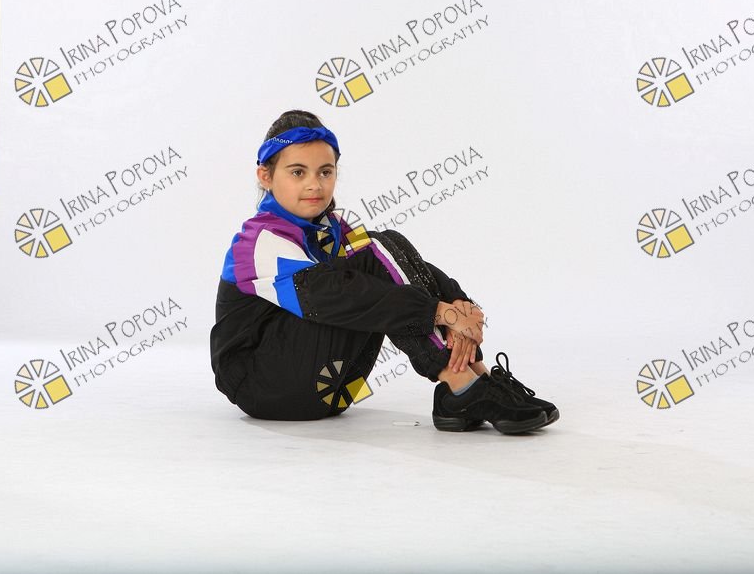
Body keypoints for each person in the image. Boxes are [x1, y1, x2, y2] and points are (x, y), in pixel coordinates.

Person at [210, 110, 559, 434]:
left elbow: (402, 267)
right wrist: (440, 312)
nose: (314, 184)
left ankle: (476, 378)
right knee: (372, 255)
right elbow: (332, 295)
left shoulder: (332, 228)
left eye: (325, 172)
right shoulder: (259, 240)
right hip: (264, 387)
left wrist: (458, 304)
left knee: (383, 247)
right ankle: (461, 383)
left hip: (331, 387)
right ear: (266, 176)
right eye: (298, 172)